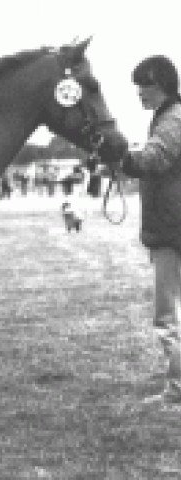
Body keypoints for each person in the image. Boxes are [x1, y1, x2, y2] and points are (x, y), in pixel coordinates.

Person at [121, 55, 181, 404]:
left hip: (172, 232)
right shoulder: (168, 117)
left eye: (144, 85)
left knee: (167, 314)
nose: (140, 93)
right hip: (173, 228)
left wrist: (118, 154)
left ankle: (176, 389)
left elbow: (155, 158)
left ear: (161, 85)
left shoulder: (172, 120)